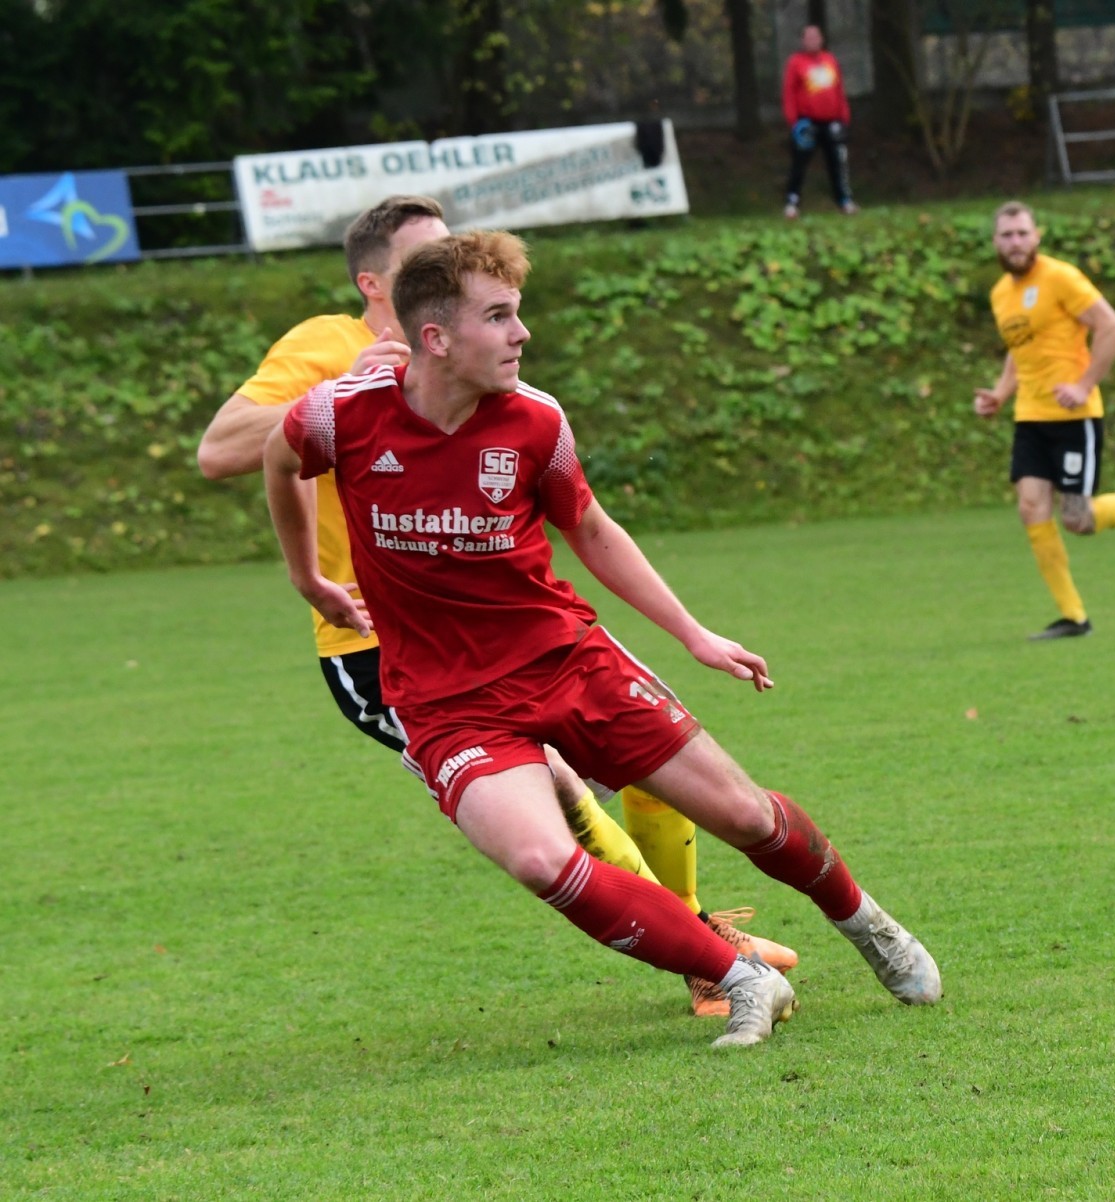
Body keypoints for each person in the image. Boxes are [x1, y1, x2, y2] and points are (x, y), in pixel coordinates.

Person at [261, 230, 941, 1047]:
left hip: (567, 664)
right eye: (501, 316)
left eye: (519, 313)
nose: (523, 334)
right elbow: (278, 455)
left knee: (746, 817)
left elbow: (588, 526)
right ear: (436, 338)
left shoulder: (534, 421)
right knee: (541, 860)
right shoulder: (343, 414)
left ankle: (866, 923)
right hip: (446, 701)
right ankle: (738, 977)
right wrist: (307, 576)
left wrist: (693, 633)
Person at [196, 195, 795, 1018]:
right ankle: (706, 960)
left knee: (650, 753)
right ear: (376, 283)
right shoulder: (324, 346)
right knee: (554, 794)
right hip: (379, 645)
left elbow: (573, 508)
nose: (450, 270)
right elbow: (221, 449)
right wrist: (357, 380)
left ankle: (697, 928)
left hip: (506, 624)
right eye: (424, 261)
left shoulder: (475, 361)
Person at [975, 201, 1115, 640]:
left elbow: (1112, 327)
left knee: (1078, 520)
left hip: (1074, 416)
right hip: (1030, 417)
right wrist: (1001, 393)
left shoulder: (1061, 278)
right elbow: (1021, 350)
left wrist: (1083, 384)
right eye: (1006, 235)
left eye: (1022, 233)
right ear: (995, 242)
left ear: (1037, 236)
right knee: (1030, 507)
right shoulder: (1001, 294)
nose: (1015, 242)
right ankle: (1074, 617)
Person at [781, 24, 857, 220]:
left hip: (832, 121)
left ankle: (844, 200)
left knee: (837, 162)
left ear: (821, 39)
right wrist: (793, 121)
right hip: (807, 123)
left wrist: (844, 117)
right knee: (800, 162)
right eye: (809, 37)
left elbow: (839, 90)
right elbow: (789, 93)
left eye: (816, 37)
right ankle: (792, 201)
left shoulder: (830, 60)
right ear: (803, 40)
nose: (813, 40)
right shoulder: (796, 63)